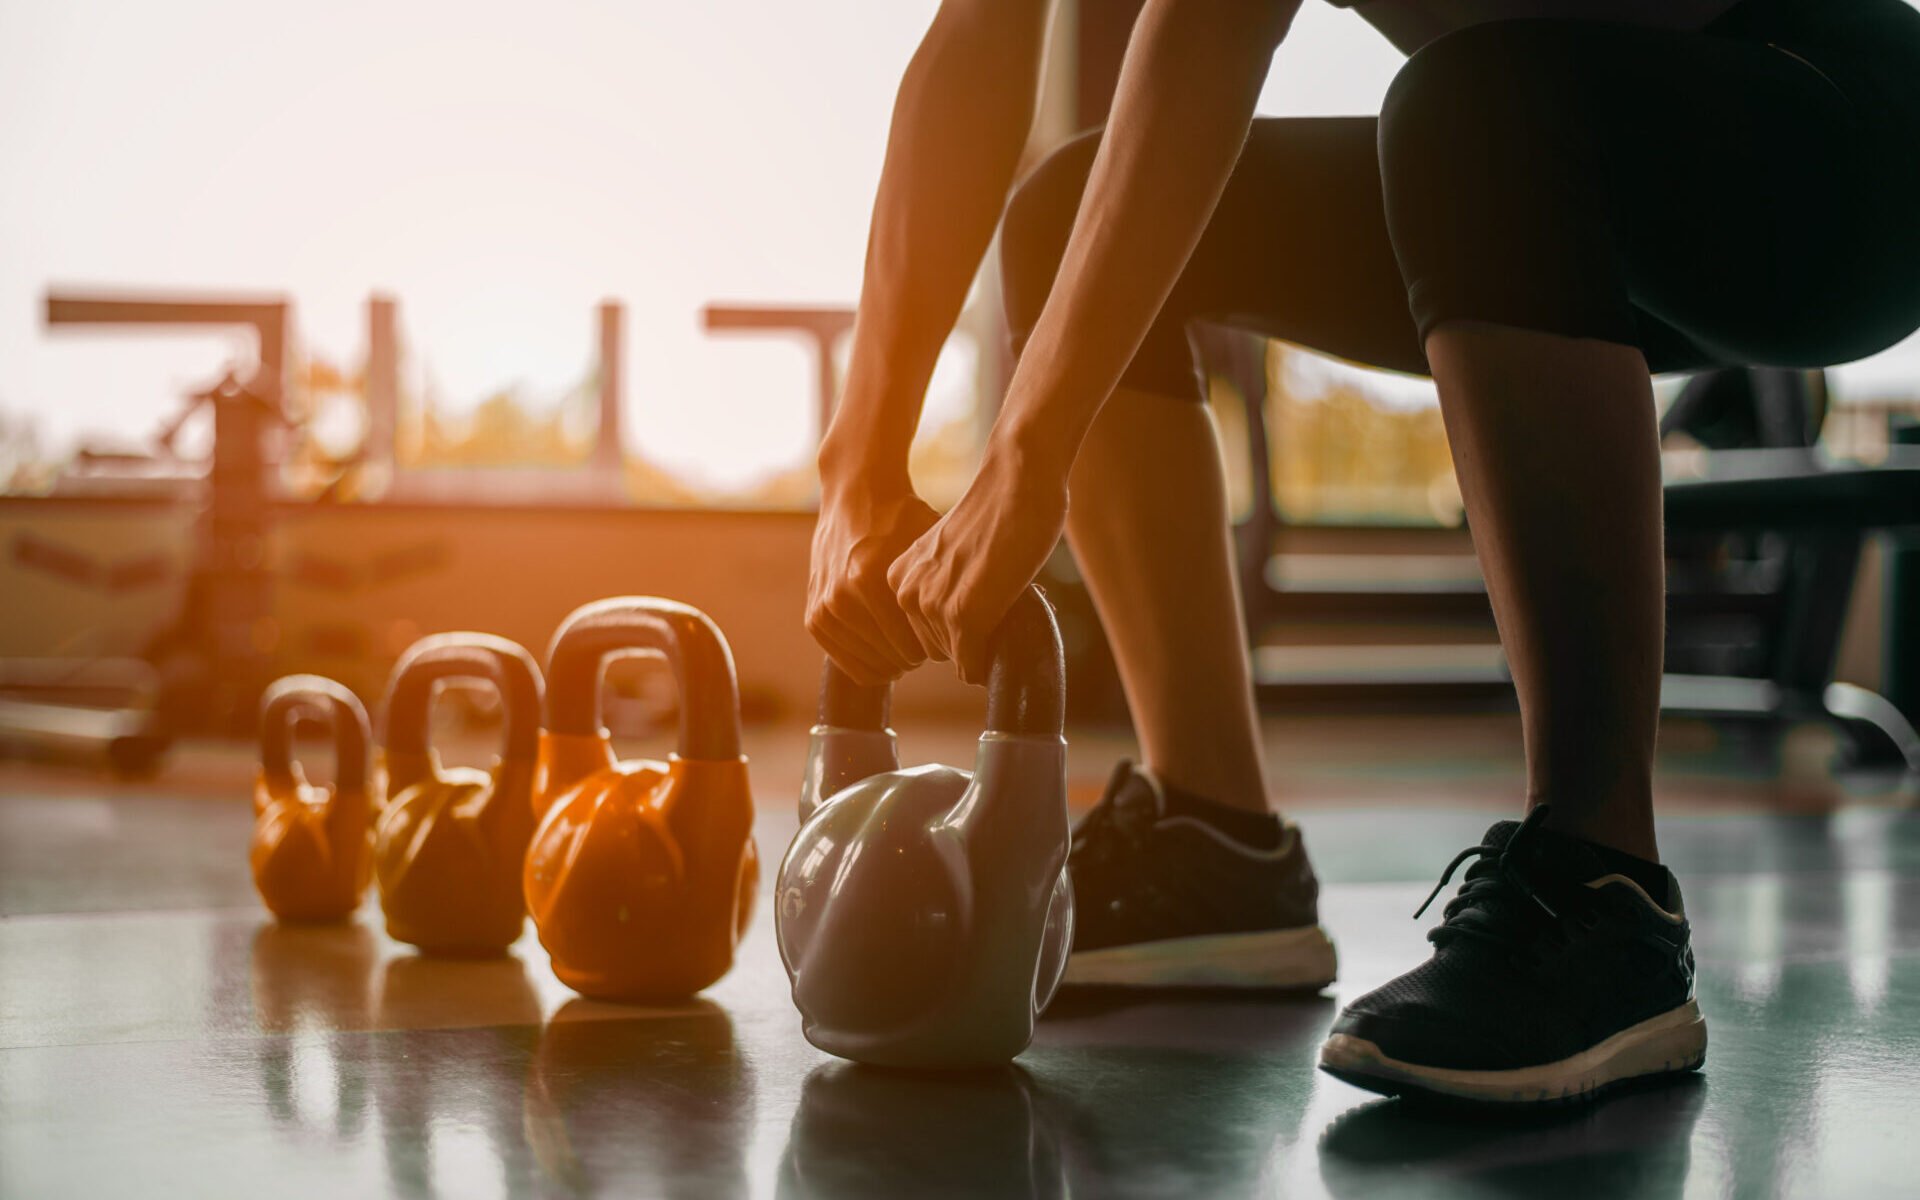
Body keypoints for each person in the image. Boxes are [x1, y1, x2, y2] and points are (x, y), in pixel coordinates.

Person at [805, 0, 1920, 1105]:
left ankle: (1604, 892)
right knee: (1066, 216)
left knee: (1470, 101)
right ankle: (1216, 847)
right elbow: (979, 36)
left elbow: (1209, 24)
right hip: (1545, 174)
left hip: (1837, 135)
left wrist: (1024, 456)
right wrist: (857, 475)